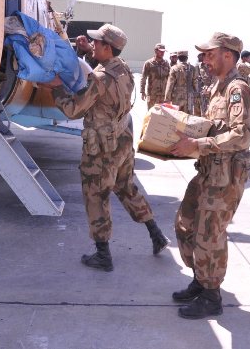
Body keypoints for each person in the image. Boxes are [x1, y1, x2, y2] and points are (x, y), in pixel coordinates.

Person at [41, 24, 170, 272]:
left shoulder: (99, 79)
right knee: (127, 188)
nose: (93, 45)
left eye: (97, 43)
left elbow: (73, 109)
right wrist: (87, 53)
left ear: (107, 48)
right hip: (122, 140)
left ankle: (103, 255)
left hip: (101, 147)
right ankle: (156, 234)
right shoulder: (123, 70)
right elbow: (105, 80)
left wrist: (56, 87)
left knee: (96, 195)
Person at [169, 32, 250, 319]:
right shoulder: (217, 87)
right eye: (203, 54)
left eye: (209, 53)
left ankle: (211, 296)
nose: (204, 59)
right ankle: (200, 279)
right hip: (207, 171)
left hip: (225, 177)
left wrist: (198, 144)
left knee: (210, 236)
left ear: (227, 55)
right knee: (184, 224)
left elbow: (241, 136)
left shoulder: (237, 89)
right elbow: (214, 126)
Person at [140, 43, 170, 109]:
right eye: (161, 51)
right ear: (156, 51)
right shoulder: (149, 63)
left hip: (163, 95)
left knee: (163, 116)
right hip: (152, 95)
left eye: (163, 51)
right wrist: (142, 91)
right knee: (151, 114)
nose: (162, 53)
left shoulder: (166, 63)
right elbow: (143, 78)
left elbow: (170, 79)